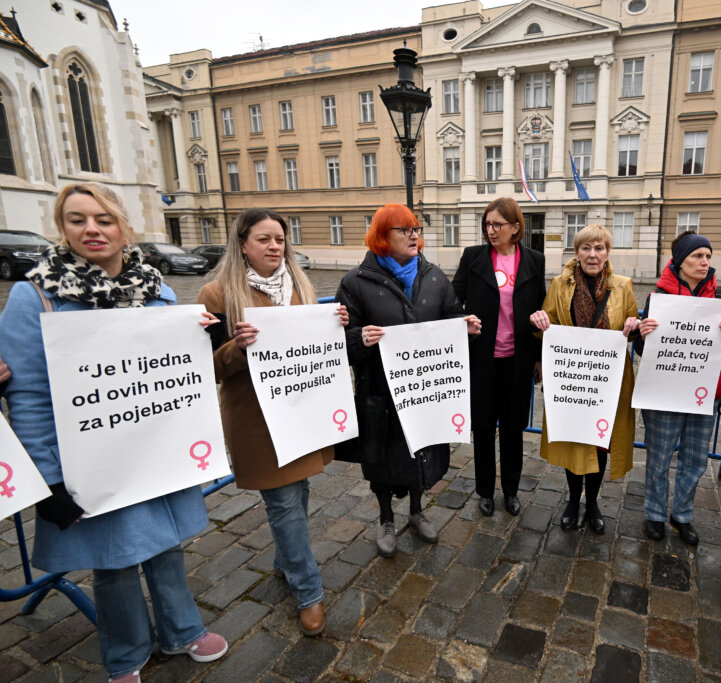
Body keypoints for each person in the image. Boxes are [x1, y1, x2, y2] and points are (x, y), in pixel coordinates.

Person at [0, 183, 227, 683]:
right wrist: (48, 480)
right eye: (77, 219)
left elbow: (176, 376)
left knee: (166, 546)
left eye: (103, 219)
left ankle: (182, 629)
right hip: (91, 458)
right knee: (115, 560)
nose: (92, 230)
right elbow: (30, 398)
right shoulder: (35, 295)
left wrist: (202, 340)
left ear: (123, 225)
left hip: (153, 449)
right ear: (62, 228)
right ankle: (126, 655)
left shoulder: (159, 290)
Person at [197, 208, 345, 637]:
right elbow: (208, 368)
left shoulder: (301, 285)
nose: (274, 246)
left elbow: (314, 346)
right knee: (284, 503)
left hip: (302, 411)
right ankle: (309, 592)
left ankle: (285, 559)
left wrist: (333, 327)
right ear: (242, 244)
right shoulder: (216, 294)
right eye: (264, 239)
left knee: (297, 493)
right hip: (256, 420)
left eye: (279, 239)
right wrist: (237, 349)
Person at [336, 203, 481, 557]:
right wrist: (360, 339)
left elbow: (450, 320)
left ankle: (417, 511)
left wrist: (467, 329)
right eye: (404, 229)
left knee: (423, 451)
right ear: (383, 237)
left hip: (424, 390)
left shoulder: (433, 276)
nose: (414, 235)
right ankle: (386, 518)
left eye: (416, 228)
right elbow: (340, 342)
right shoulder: (355, 282)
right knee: (382, 458)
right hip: (381, 393)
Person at [529, 224, 638, 534]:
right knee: (574, 439)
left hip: (608, 380)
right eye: (586, 248)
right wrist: (538, 319)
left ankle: (592, 503)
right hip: (572, 379)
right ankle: (573, 501)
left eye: (599, 248)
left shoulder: (623, 286)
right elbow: (544, 328)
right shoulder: (560, 285)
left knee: (600, 443)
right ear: (576, 253)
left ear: (607, 252)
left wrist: (636, 323)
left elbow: (630, 331)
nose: (593, 254)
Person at [634, 232, 721, 544]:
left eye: (708, 256)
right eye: (697, 256)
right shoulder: (657, 298)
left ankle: (682, 516)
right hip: (665, 390)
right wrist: (643, 333)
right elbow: (643, 350)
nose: (704, 262)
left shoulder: (719, 300)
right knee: (659, 457)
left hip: (704, 392)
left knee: (694, 458)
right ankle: (654, 514)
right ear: (680, 261)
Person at [452, 197, 546, 517]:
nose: (491, 230)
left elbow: (539, 309)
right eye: (487, 224)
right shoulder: (473, 257)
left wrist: (538, 358)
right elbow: (453, 301)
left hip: (517, 361)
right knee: (482, 427)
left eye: (498, 224)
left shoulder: (534, 260)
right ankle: (485, 491)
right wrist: (461, 321)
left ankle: (510, 491)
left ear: (516, 228)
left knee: (512, 429)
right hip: (482, 360)